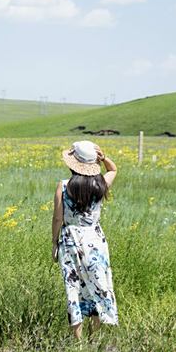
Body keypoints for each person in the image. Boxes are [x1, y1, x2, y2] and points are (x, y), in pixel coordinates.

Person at [52, 140, 119, 339]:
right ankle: (94, 337)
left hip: (71, 239)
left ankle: (78, 342)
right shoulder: (101, 184)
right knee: (96, 286)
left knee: (74, 289)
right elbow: (114, 170)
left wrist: (54, 242)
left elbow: (58, 218)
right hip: (95, 240)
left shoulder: (63, 186)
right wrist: (104, 158)